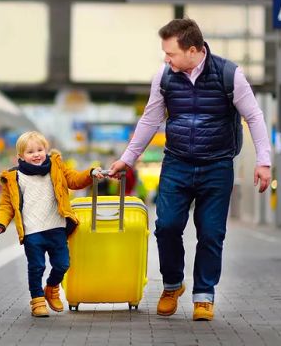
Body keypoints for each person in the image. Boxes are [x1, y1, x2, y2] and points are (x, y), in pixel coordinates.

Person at [108, 18, 271, 321]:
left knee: (211, 233)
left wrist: (264, 161)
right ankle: (172, 285)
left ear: (193, 50)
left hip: (217, 164)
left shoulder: (229, 74)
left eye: (170, 54)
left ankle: (204, 296)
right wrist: (127, 159)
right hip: (177, 163)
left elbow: (254, 117)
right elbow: (150, 120)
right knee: (166, 226)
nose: (166, 60)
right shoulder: (165, 77)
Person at [0, 131, 104, 317]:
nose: (36, 154)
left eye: (40, 149)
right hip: (32, 232)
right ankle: (37, 301)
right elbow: (6, 205)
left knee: (62, 264)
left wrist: (90, 173)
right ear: (20, 157)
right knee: (36, 267)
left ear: (46, 150)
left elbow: (75, 180)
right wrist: (0, 222)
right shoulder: (14, 178)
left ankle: (51, 289)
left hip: (56, 228)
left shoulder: (57, 167)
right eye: (30, 152)